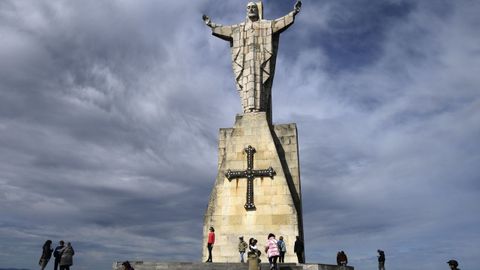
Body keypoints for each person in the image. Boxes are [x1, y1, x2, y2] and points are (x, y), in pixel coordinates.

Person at [202, 1, 302, 121]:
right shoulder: (239, 28)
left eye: (253, 7)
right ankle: (248, 110)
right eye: (248, 7)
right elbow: (224, 29)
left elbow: (279, 23)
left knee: (260, 85)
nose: (251, 9)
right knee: (247, 86)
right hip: (245, 64)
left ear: (257, 9)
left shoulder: (266, 25)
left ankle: (258, 110)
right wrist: (211, 24)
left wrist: (293, 13)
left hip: (260, 62)